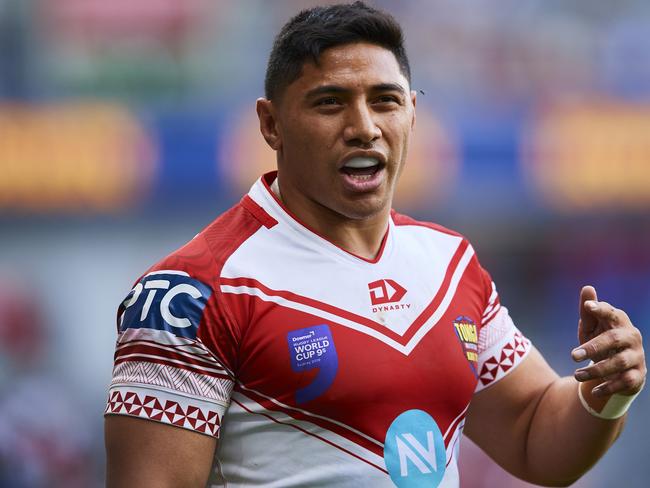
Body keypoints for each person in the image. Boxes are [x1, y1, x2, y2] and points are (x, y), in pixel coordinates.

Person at [104, 2, 646, 487]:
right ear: (271, 124)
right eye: (330, 103)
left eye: (384, 101)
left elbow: (533, 437)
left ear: (411, 111)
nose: (364, 127)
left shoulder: (450, 264)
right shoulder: (188, 293)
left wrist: (607, 391)